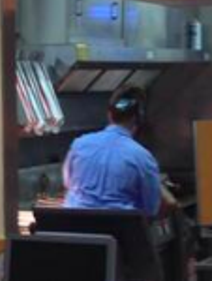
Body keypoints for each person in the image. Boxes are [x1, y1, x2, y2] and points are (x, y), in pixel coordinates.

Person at [62, 86, 167, 216]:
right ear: (139, 117)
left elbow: (68, 183)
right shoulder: (143, 158)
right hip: (118, 227)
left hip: (73, 225)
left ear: (109, 115)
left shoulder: (79, 144)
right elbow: (151, 210)